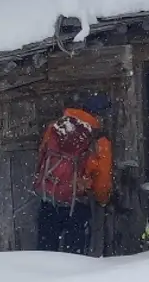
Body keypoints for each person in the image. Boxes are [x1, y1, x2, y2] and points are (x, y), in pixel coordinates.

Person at [34, 96, 110, 255]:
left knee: (44, 255)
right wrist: (102, 199)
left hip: (49, 199)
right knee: (74, 259)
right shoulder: (98, 141)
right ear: (99, 115)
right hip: (76, 204)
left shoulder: (55, 128)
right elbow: (102, 179)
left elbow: (42, 157)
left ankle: (44, 278)